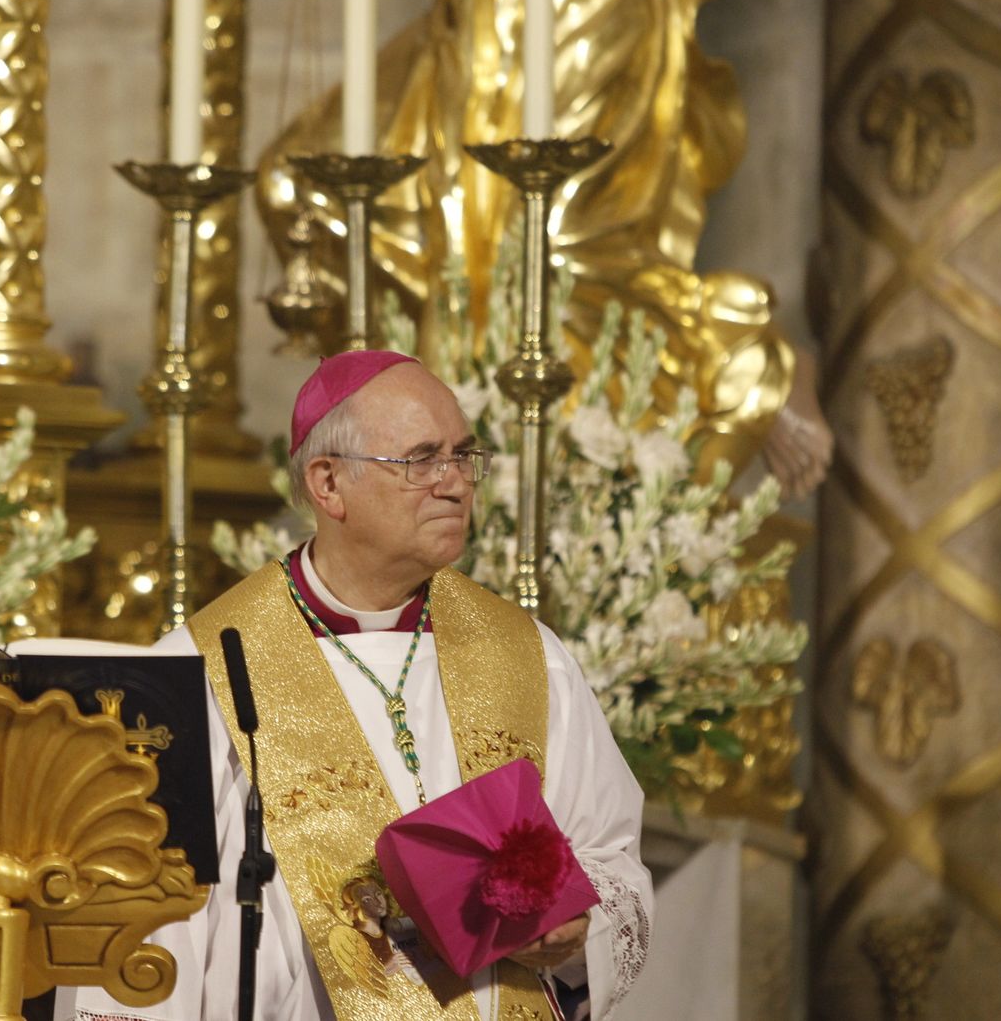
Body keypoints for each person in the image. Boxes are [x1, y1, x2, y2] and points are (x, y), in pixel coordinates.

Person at [58, 350, 653, 1021]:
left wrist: (578, 927)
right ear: (328, 484)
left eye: (463, 455)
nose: (456, 483)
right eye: (421, 459)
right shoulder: (203, 671)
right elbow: (145, 924)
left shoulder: (526, 654)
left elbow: (610, 855)